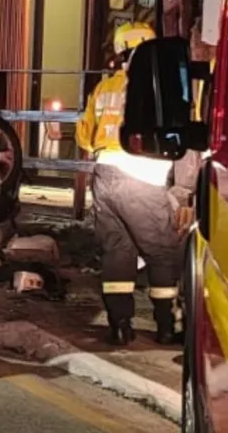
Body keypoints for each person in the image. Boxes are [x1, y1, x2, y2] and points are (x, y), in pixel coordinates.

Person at [77, 22, 200, 346]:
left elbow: (85, 139)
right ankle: (168, 326)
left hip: (105, 176)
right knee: (163, 254)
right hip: (143, 175)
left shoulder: (104, 88)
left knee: (117, 253)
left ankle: (120, 326)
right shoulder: (158, 82)